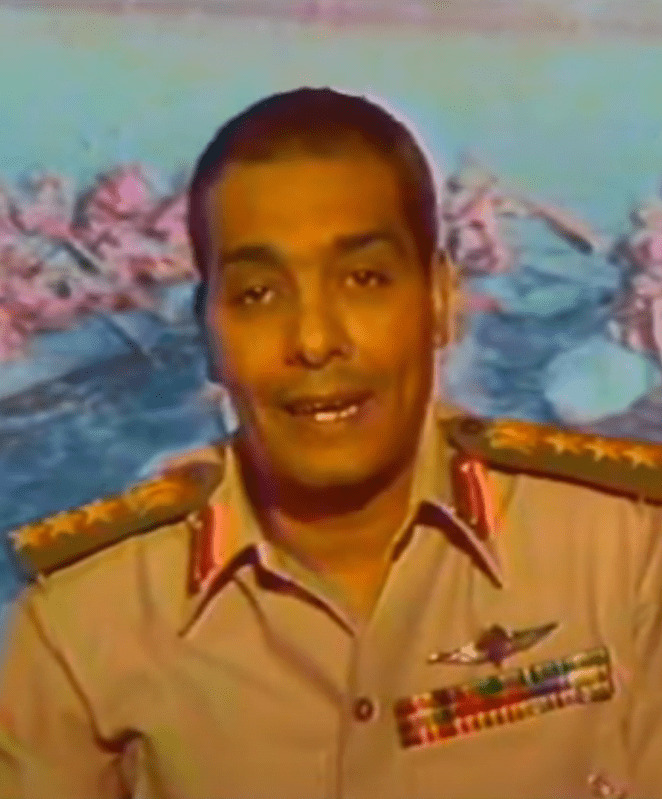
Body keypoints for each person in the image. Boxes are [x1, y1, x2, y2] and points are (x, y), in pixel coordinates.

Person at [0, 87, 661, 799]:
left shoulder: (621, 554)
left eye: (364, 279)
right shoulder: (84, 619)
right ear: (208, 333)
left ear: (441, 302)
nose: (315, 340)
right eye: (258, 293)